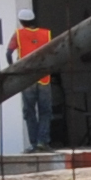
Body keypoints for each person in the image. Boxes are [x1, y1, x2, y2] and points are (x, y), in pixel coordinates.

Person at [10, 11, 58, 150]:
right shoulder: (46, 34)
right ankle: (43, 142)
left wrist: (14, 68)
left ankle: (33, 143)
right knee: (45, 111)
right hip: (44, 77)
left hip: (26, 79)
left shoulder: (18, 35)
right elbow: (53, 52)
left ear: (21, 21)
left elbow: (9, 52)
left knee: (29, 111)